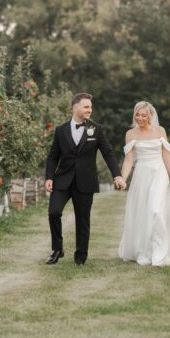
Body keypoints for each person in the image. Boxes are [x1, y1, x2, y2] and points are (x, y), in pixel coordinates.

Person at [45, 93, 126, 265]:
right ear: (75, 107)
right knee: (53, 212)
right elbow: (53, 156)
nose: (90, 110)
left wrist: (117, 175)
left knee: (83, 220)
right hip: (62, 180)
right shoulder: (61, 130)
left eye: (90, 107)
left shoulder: (97, 129)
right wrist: (49, 177)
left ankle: (80, 257)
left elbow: (108, 153)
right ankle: (57, 249)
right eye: (86, 107)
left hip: (85, 181)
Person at [118, 101, 170, 266]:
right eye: (137, 115)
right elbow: (129, 160)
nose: (140, 118)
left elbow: (167, 158)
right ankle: (145, 251)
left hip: (159, 173)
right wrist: (122, 178)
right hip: (141, 175)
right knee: (143, 212)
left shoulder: (160, 131)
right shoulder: (130, 134)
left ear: (150, 116)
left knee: (157, 210)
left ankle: (160, 254)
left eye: (144, 115)